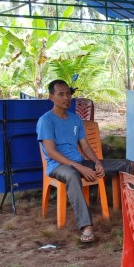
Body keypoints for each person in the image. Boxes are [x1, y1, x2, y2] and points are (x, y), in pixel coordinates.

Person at [37, 79, 104, 243]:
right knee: (73, 174)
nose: (66, 98)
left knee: (124, 165)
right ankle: (86, 225)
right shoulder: (46, 120)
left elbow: (86, 147)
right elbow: (51, 152)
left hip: (78, 162)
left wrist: (97, 162)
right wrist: (80, 168)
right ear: (51, 97)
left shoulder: (75, 119)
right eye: (61, 94)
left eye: (68, 94)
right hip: (57, 166)